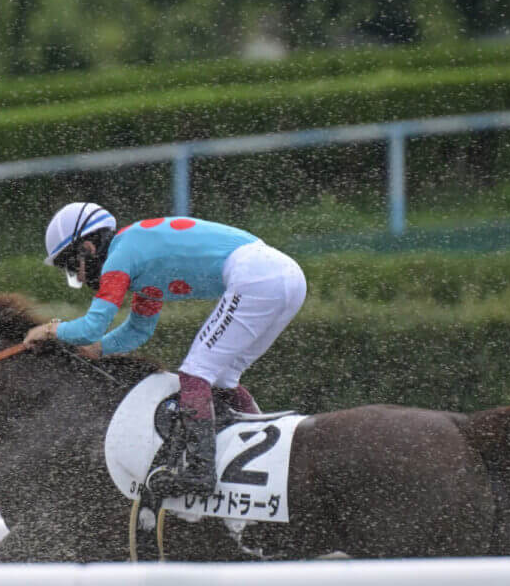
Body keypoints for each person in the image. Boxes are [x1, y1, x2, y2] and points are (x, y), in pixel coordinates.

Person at [24, 201, 307, 497]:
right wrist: (100, 349)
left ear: (88, 248)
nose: (79, 279)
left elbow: (90, 328)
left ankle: (200, 472)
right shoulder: (137, 261)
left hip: (258, 276)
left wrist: (51, 329)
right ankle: (267, 458)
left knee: (195, 372)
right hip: (285, 277)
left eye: (72, 267)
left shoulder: (120, 258)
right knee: (224, 379)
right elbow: (138, 330)